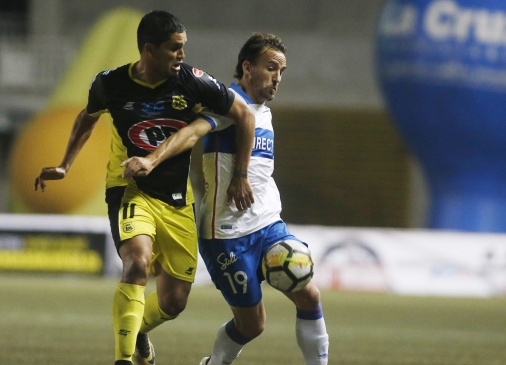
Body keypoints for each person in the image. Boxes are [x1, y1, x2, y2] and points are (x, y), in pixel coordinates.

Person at [34, 11, 255, 365]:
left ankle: (135, 328)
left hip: (177, 198)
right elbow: (87, 118)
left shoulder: (193, 82)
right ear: (149, 50)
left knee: (174, 301)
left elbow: (244, 115)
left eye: (183, 47)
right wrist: (64, 165)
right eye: (174, 48)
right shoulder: (110, 84)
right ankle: (125, 359)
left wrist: (241, 175)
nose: (182, 55)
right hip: (128, 188)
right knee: (136, 263)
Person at [122, 33, 330, 365]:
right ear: (247, 67)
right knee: (252, 324)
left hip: (268, 224)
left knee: (308, 293)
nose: (277, 78)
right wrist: (151, 160)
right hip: (227, 235)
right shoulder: (227, 104)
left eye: (282, 71)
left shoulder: (264, 112)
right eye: (270, 68)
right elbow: (190, 133)